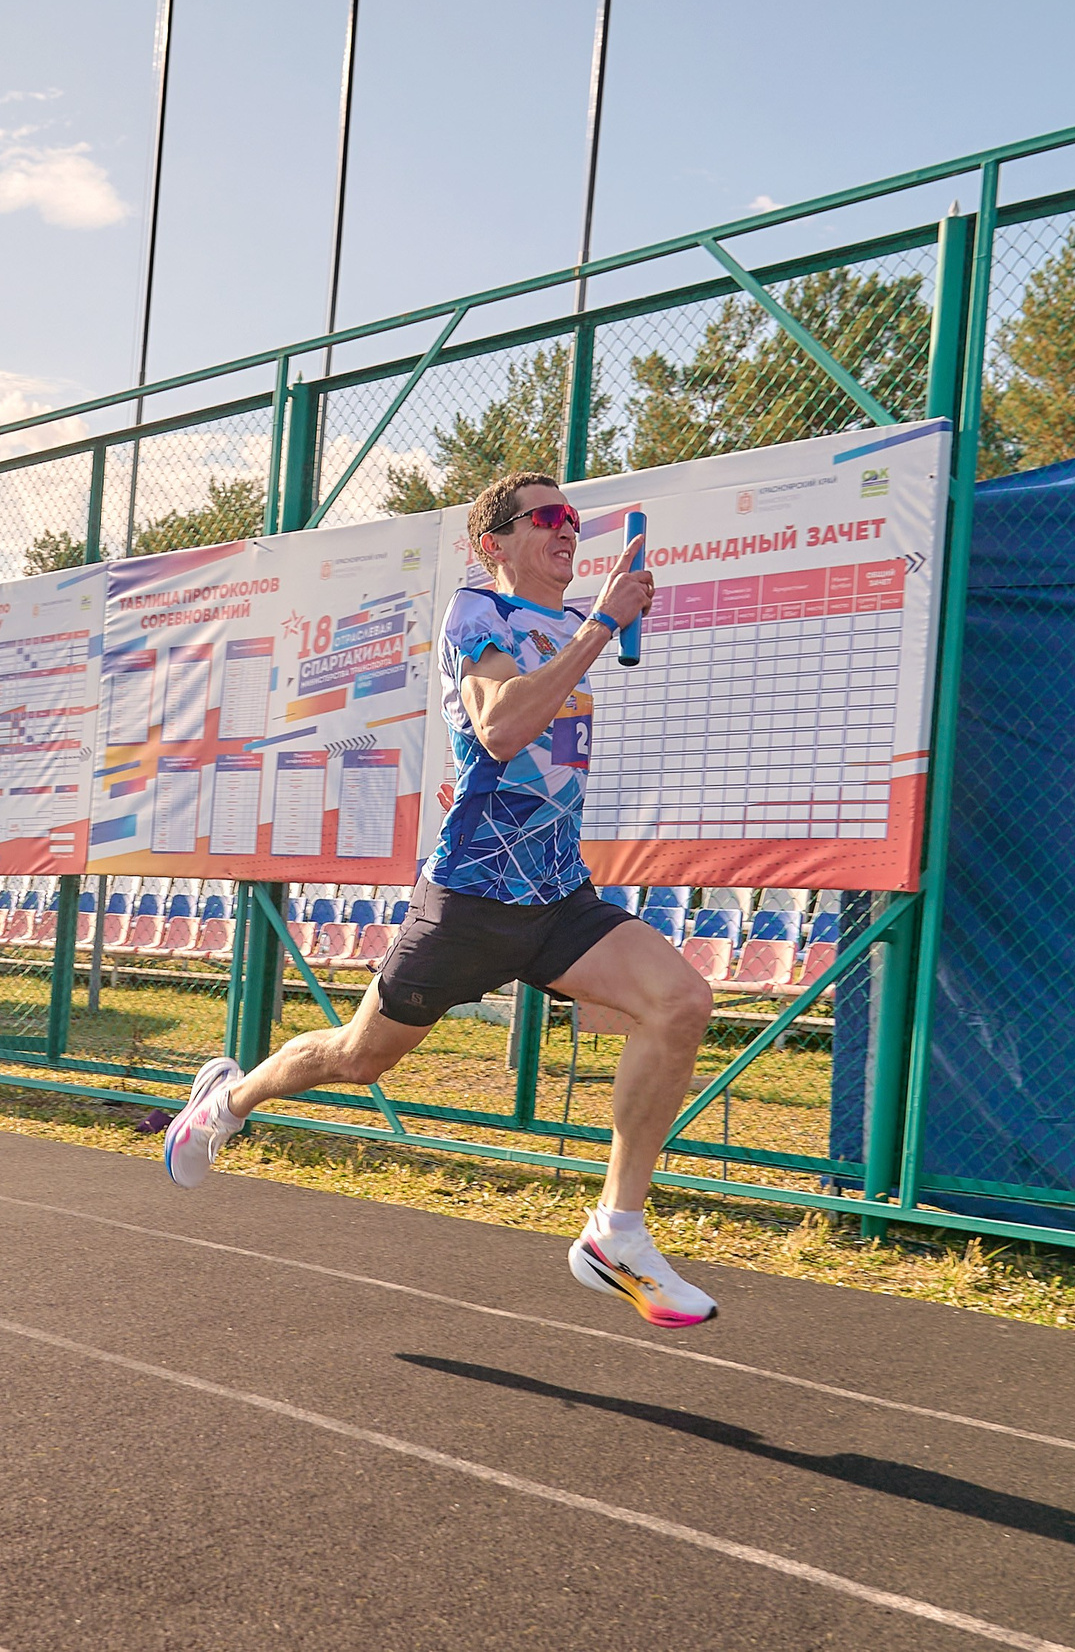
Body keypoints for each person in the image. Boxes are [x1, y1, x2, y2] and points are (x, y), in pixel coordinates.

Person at [161, 471, 723, 1328]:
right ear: (493, 543)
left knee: (681, 1003)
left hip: (558, 895)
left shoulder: (571, 623)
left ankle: (616, 1233)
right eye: (545, 516)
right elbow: (501, 729)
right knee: (357, 1058)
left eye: (572, 517)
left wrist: (602, 620)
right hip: (472, 897)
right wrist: (606, 624)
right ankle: (225, 1103)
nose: (566, 527)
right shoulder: (477, 614)